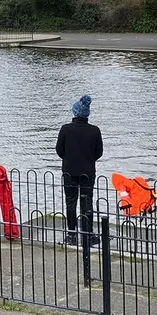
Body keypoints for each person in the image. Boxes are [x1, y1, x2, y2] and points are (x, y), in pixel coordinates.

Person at [55, 95, 103, 247]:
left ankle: (71, 233)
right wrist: (88, 160)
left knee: (71, 201)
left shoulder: (65, 129)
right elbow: (99, 152)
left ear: (75, 113)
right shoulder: (95, 131)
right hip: (87, 171)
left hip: (69, 170)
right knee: (87, 201)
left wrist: (69, 159)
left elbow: (59, 150)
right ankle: (88, 233)